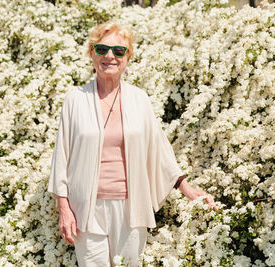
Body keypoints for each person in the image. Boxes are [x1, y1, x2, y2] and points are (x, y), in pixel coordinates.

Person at [48, 21, 217, 267]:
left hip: (131, 208)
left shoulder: (139, 100)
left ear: (128, 57)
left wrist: (187, 188)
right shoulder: (75, 99)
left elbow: (159, 149)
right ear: (92, 53)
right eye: (102, 49)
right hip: (86, 209)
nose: (110, 56)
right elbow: (61, 157)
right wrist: (64, 209)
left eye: (119, 51)